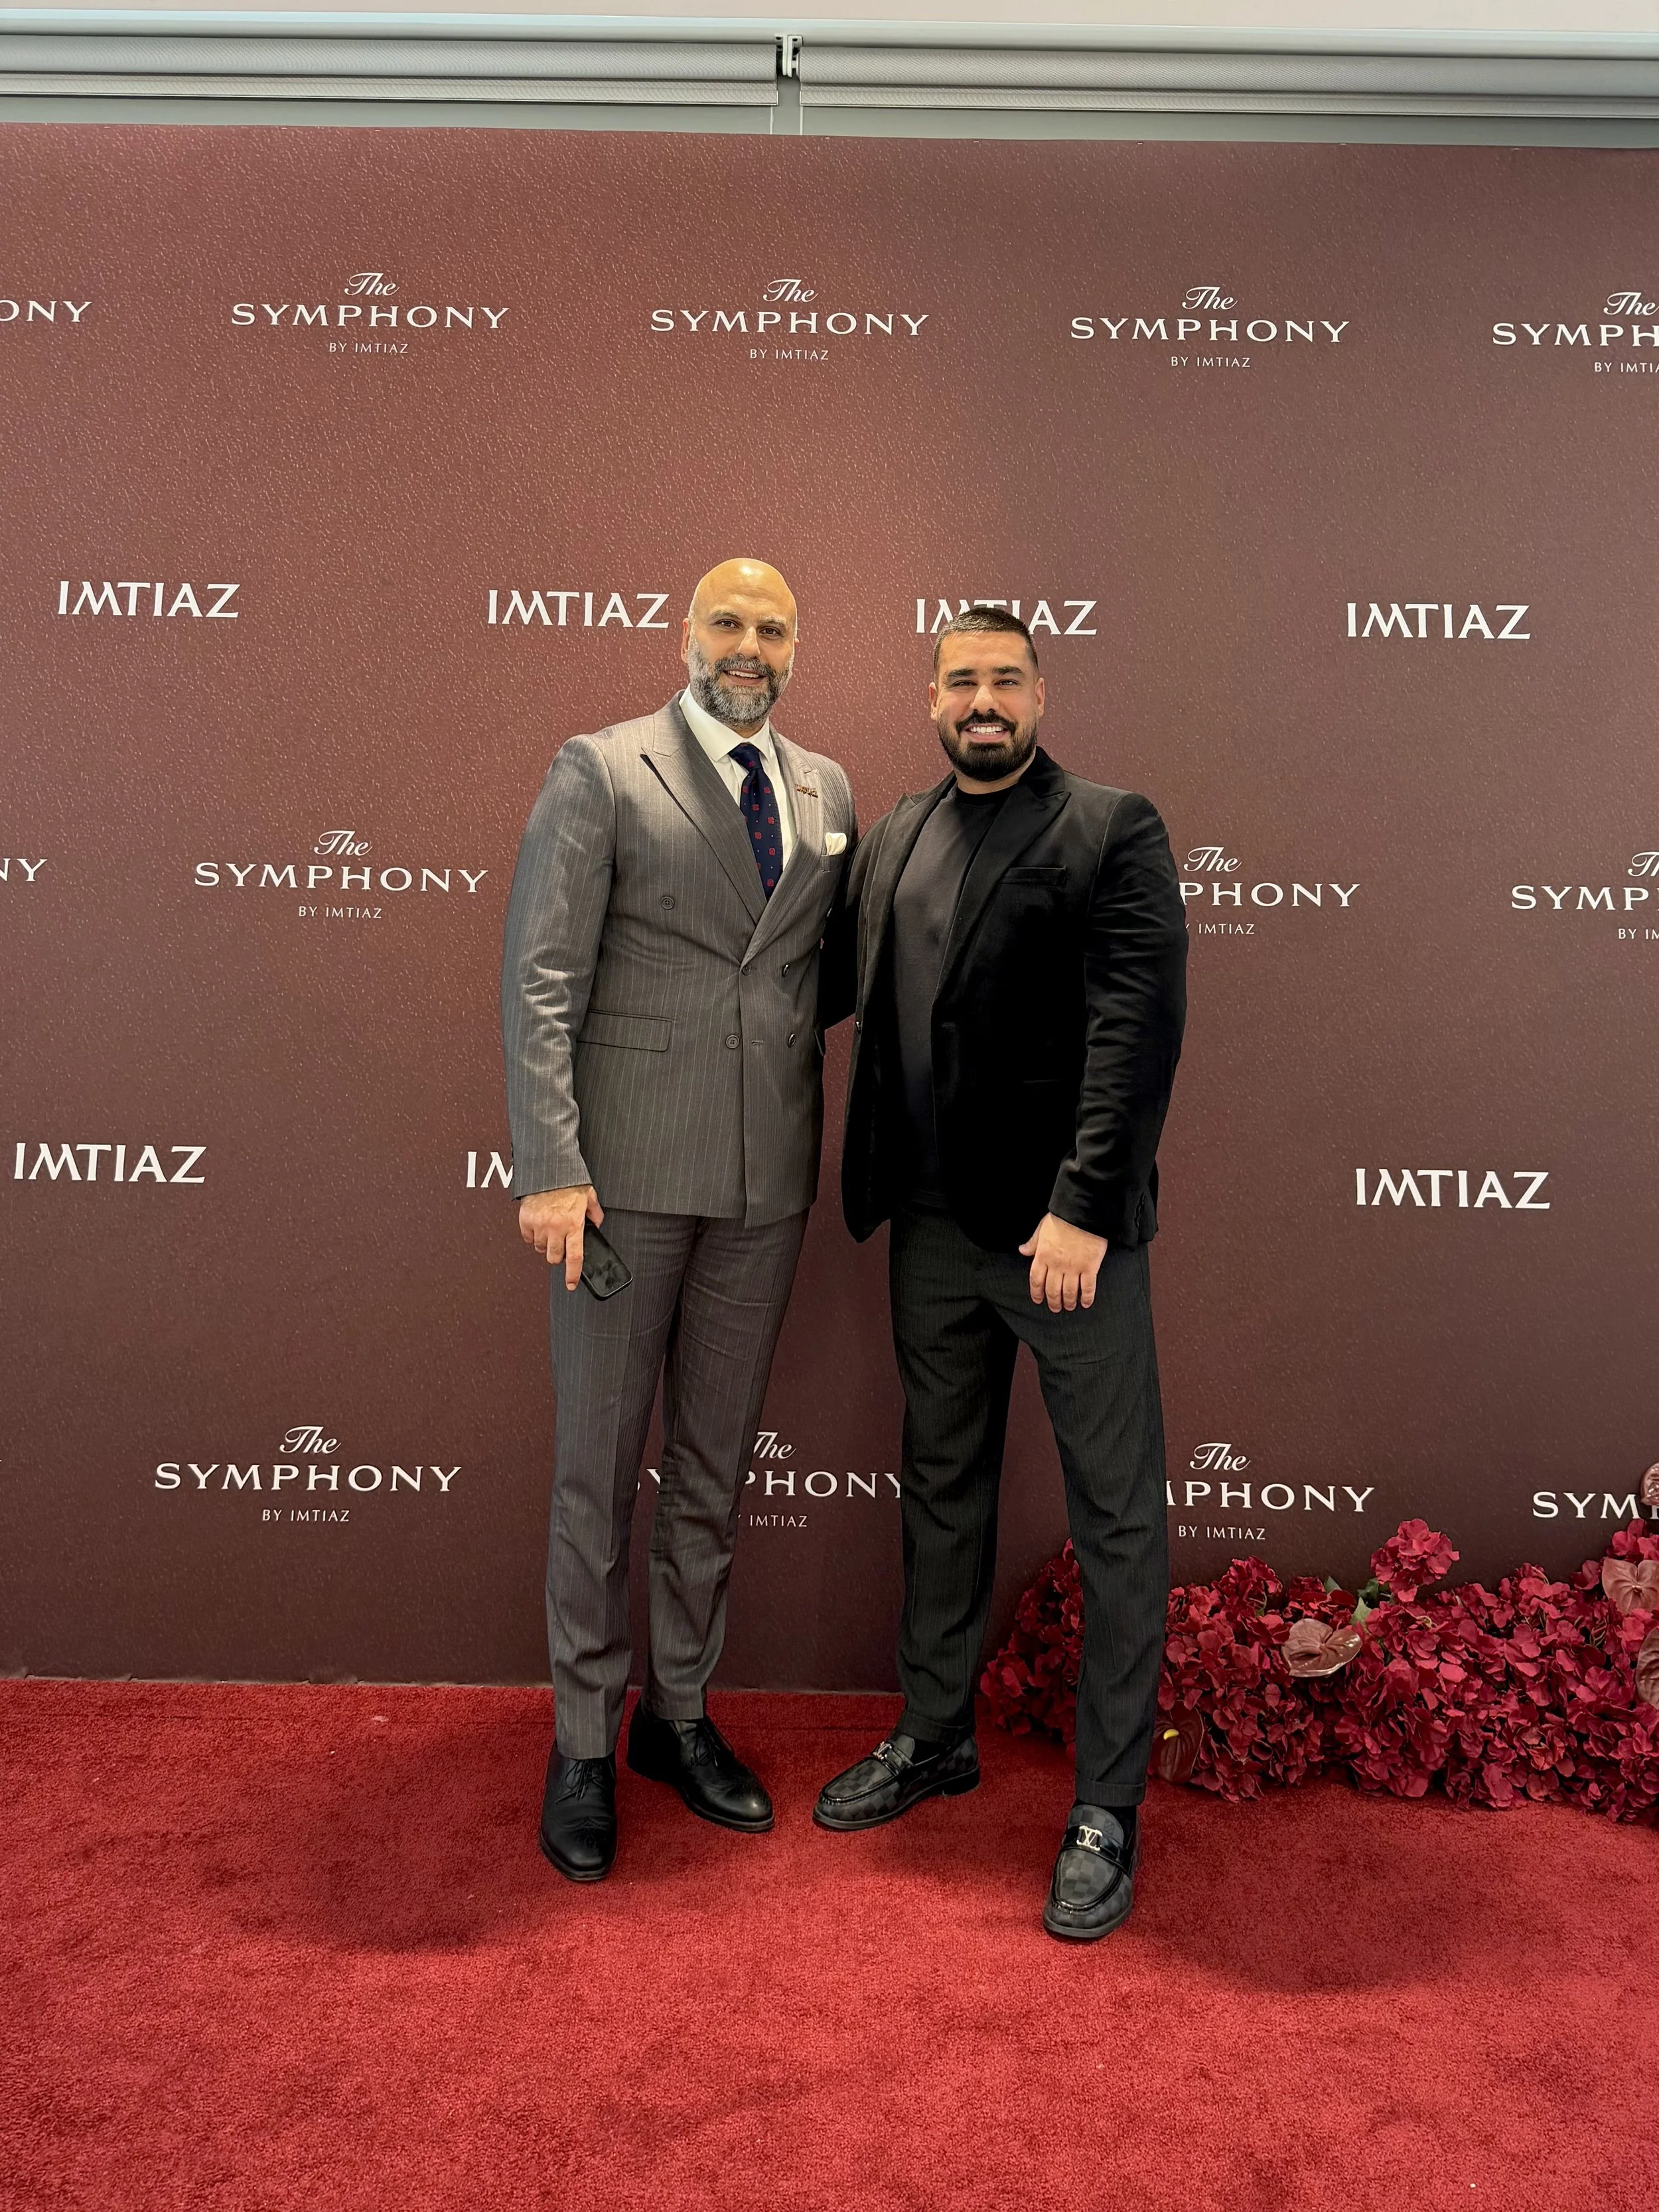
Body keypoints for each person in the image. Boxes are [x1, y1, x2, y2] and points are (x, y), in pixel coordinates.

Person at [813, 604, 1187, 1941]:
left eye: (1005, 679)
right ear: (929, 694)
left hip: (1061, 1243)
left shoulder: (1108, 825)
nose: (983, 698)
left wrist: (1083, 1205)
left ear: (1040, 692)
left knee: (1114, 1518)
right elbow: (821, 992)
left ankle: (1103, 1805)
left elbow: (1133, 1026)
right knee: (941, 1491)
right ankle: (931, 1733)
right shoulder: (896, 833)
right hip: (923, 1233)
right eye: (961, 679)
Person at [501, 557, 856, 1882]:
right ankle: (584, 1740)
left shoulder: (823, 789)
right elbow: (538, 978)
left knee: (710, 1471)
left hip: (765, 1185)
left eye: (772, 624)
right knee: (599, 1471)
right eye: (727, 621)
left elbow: (809, 982)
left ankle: (678, 1717)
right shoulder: (600, 769)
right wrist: (548, 1160)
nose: (748, 643)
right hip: (620, 1182)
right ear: (684, 631)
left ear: (795, 641)